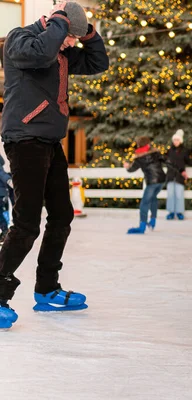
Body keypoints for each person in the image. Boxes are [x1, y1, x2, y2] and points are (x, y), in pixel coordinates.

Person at [0, 1, 109, 328]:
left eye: (75, 38)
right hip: (24, 138)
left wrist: (87, 33)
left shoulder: (61, 47)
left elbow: (97, 62)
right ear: (52, 22)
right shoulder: (19, 40)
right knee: (27, 223)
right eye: (69, 36)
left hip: (49, 140)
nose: (71, 43)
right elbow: (41, 53)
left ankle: (46, 288)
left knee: (62, 214)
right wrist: (60, 25)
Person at [124, 136, 173, 234]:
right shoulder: (156, 153)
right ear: (148, 144)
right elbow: (168, 161)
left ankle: (142, 227)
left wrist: (127, 166)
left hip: (152, 182)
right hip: (162, 180)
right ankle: (153, 222)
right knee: (153, 198)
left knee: (144, 203)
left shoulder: (139, 158)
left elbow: (131, 169)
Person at [165, 129, 192, 221]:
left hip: (180, 177)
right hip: (171, 175)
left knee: (179, 194)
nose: (175, 142)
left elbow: (188, 161)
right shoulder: (169, 151)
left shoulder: (184, 151)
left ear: (180, 141)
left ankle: (179, 212)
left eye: (177, 140)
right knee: (170, 194)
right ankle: (171, 212)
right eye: (174, 140)